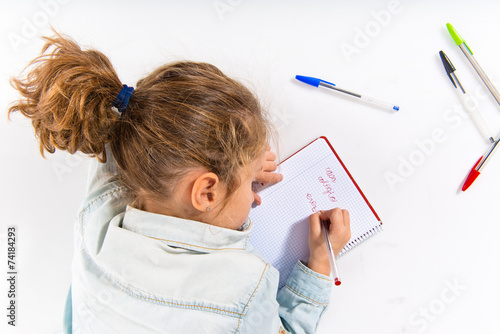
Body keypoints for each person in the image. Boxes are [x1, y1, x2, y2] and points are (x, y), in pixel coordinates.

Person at [8, 31, 351, 334]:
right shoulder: (244, 289)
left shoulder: (98, 208)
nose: (252, 193)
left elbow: (134, 119)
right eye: (249, 184)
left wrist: (234, 166)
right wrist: (320, 262)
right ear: (206, 191)